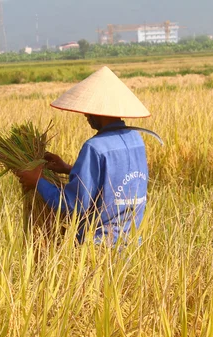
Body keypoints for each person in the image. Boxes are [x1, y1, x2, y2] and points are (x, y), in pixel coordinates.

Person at [16, 66, 152, 245]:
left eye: (88, 110)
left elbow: (75, 204)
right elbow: (114, 179)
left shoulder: (95, 147)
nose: (86, 115)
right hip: (133, 242)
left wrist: (38, 181)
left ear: (99, 111)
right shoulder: (136, 139)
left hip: (101, 247)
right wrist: (68, 169)